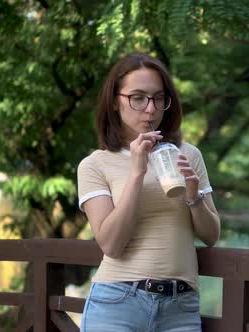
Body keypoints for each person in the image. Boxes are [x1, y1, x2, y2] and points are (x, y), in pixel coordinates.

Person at [77, 52, 220, 331]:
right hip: (117, 304)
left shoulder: (187, 155)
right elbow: (111, 244)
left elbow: (211, 236)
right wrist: (137, 172)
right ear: (115, 102)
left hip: (180, 308)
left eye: (158, 98)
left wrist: (194, 198)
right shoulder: (95, 164)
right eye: (138, 98)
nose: (150, 109)